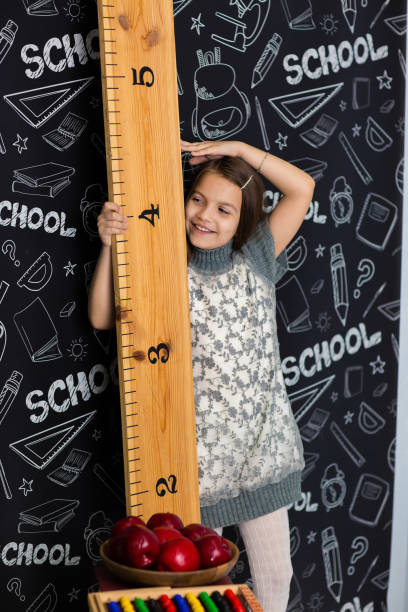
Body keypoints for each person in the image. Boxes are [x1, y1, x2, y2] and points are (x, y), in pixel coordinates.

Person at [88, 139, 315, 612]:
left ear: (243, 220)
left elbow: (302, 188)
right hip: (192, 466)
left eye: (224, 209)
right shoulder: (165, 266)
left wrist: (235, 149)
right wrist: (110, 247)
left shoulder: (257, 255)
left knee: (276, 578)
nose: (205, 216)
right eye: (198, 199)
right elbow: (103, 318)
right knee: (188, 594)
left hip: (260, 454)